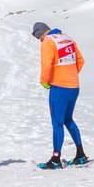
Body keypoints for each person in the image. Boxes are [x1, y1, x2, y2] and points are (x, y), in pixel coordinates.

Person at [33, 21, 86, 168]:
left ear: (41, 34)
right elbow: (80, 61)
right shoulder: (68, 38)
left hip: (59, 87)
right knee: (68, 119)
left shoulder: (48, 42)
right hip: (74, 86)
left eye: (39, 38)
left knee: (57, 122)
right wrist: (71, 75)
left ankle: (56, 159)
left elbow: (47, 64)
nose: (40, 41)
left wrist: (45, 82)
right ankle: (80, 154)